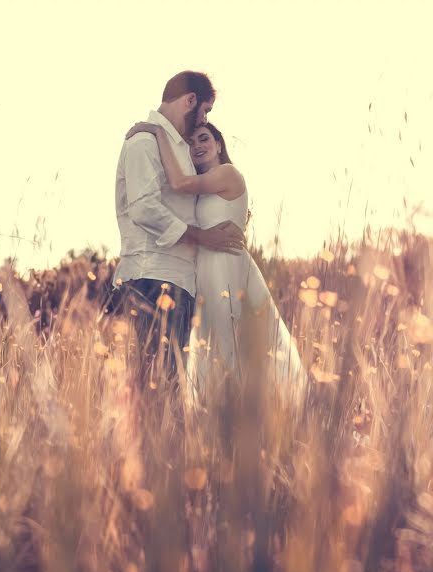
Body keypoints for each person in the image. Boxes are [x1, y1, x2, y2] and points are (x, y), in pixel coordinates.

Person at [123, 120, 306, 400]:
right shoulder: (204, 190)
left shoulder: (228, 174)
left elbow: (179, 182)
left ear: (219, 145)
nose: (197, 146)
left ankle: (249, 412)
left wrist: (159, 131)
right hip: (205, 272)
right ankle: (218, 417)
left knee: (233, 343)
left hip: (227, 268)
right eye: (192, 142)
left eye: (204, 139)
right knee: (210, 347)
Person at [111, 71, 245, 392]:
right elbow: (144, 208)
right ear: (190, 101)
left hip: (178, 283)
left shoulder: (177, 148)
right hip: (152, 278)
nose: (204, 120)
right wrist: (202, 237)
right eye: (205, 111)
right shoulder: (144, 141)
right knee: (155, 389)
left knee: (169, 388)